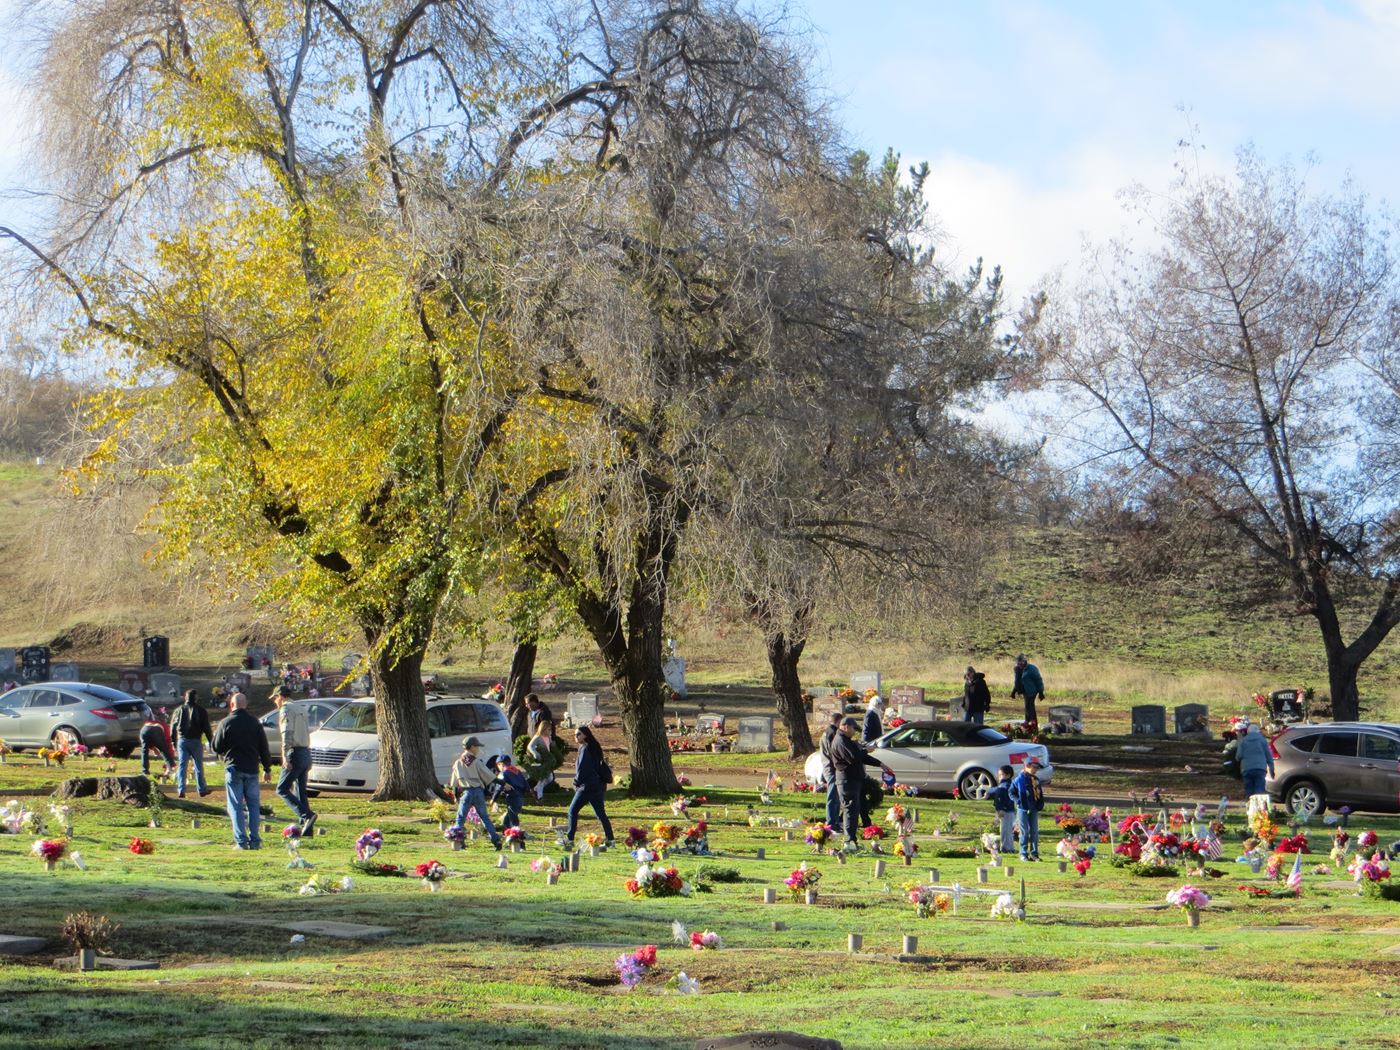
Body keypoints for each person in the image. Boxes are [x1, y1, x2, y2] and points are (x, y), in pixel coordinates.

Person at [211, 693, 272, 850]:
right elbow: (263, 748)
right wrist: (267, 768)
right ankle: (255, 840)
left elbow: (216, 747)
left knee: (235, 806)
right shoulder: (255, 723)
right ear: (246, 705)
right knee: (253, 806)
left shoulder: (225, 722)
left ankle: (241, 841)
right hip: (252, 769)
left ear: (231, 705)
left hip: (234, 768)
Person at [830, 717, 884, 850]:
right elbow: (854, 757)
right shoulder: (840, 740)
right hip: (847, 780)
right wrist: (866, 750)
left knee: (854, 811)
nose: (855, 732)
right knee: (850, 810)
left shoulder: (847, 740)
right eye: (854, 728)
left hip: (854, 780)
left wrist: (880, 763)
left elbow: (861, 757)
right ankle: (849, 842)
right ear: (845, 726)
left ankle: (852, 840)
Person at [560, 725, 613, 849]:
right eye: (575, 735)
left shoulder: (585, 748)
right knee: (601, 814)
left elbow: (582, 769)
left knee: (572, 811)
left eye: (578, 734)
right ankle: (610, 840)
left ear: (585, 735)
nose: (576, 737)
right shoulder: (594, 747)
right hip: (598, 786)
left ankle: (570, 839)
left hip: (587, 787)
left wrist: (576, 783)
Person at [273, 689, 317, 835]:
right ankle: (307, 829)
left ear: (280, 696)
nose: (275, 702)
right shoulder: (301, 708)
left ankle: (307, 815)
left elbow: (287, 732)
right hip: (305, 752)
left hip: (295, 753)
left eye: (275, 698)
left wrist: (284, 755)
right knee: (300, 792)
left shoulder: (286, 709)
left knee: (282, 789)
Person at [450, 736, 503, 849]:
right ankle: (496, 840)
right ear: (472, 747)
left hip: (466, 792)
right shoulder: (477, 762)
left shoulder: (457, 763)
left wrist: (455, 796)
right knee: (485, 818)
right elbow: (489, 775)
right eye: (477, 746)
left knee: (460, 818)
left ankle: (458, 841)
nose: (478, 749)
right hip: (478, 791)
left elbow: (455, 783)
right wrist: (503, 783)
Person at [170, 688, 213, 798]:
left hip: (182, 740)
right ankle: (201, 789)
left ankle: (181, 789)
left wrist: (173, 742)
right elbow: (206, 728)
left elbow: (173, 728)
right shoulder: (201, 710)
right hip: (195, 740)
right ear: (196, 698)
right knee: (198, 765)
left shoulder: (178, 710)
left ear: (185, 697)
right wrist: (211, 741)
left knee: (182, 765)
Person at [1008, 758, 1046, 861]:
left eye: (1037, 768)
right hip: (1023, 809)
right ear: (1026, 766)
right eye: (1034, 767)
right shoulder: (1019, 779)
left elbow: (1039, 793)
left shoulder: (1035, 779)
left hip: (1033, 808)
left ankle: (1034, 854)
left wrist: (1040, 803)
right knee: (1024, 832)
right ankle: (1023, 853)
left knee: (1034, 831)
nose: (1035, 770)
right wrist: (1018, 801)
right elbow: (1011, 792)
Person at [487, 754, 531, 830]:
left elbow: (498, 788)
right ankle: (506, 829)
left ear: (501, 764)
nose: (498, 767)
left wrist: (493, 799)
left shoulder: (503, 773)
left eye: (498, 765)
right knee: (509, 816)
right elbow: (526, 785)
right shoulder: (517, 771)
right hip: (520, 798)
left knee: (513, 817)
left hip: (512, 797)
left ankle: (516, 832)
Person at [1235, 721, 1275, 799]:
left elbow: (1238, 756)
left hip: (1246, 769)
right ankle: (1258, 809)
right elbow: (1269, 756)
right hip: (1260, 768)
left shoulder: (1244, 741)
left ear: (1248, 732)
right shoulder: (1263, 740)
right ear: (1258, 731)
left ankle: (1249, 806)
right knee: (1259, 791)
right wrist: (1272, 769)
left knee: (1248, 790)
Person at [818, 711, 843, 829]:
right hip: (832, 768)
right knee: (833, 797)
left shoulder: (828, 732)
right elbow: (833, 752)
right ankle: (831, 822)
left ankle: (835, 821)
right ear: (838, 721)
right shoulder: (832, 733)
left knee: (836, 797)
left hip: (828, 767)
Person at [525, 719, 561, 799]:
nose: (550, 731)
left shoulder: (548, 737)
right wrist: (535, 753)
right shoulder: (537, 737)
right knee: (543, 777)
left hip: (548, 759)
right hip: (541, 760)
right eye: (548, 729)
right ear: (543, 729)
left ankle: (536, 788)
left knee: (550, 777)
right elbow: (530, 746)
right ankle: (539, 795)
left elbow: (550, 745)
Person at [987, 764, 1017, 853]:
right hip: (1009, 810)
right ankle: (1009, 847)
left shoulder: (1005, 786)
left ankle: (1006, 847)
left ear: (1008, 775)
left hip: (1005, 810)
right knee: (1008, 830)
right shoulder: (1007, 784)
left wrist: (1001, 809)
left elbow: (1000, 798)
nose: (999, 777)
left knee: (1005, 830)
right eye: (999, 775)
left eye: (1001, 775)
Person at [1010, 655, 1044, 726]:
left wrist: (1041, 692)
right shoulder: (1018, 669)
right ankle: (1028, 721)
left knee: (1030, 706)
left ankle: (1033, 723)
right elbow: (1017, 681)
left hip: (1032, 691)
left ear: (1025, 661)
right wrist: (1014, 691)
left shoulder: (1032, 669)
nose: (1019, 664)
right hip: (1024, 691)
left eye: (1021, 662)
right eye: (1018, 663)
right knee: (1027, 706)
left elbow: (1038, 680)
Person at [139, 712, 175, 777]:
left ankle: (145, 771)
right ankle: (170, 769)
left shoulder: (149, 721)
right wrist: (171, 758)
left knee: (144, 751)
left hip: (144, 729)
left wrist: (154, 749)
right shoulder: (164, 725)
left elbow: (150, 741)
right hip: (156, 731)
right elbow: (167, 743)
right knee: (164, 750)